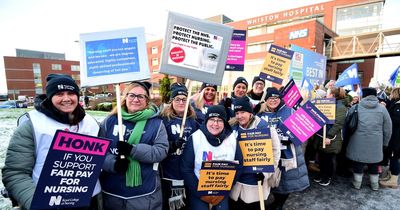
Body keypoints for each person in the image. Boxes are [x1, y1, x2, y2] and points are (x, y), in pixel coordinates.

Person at [2, 74, 102, 210]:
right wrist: (37, 204)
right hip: (47, 202)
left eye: (71, 93)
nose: (66, 99)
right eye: (59, 94)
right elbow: (15, 173)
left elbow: (101, 161)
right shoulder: (32, 124)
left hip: (89, 201)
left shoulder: (91, 123)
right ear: (49, 97)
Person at [99, 81, 169, 210]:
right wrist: (112, 163)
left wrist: (133, 150)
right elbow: (98, 150)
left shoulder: (156, 124)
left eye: (140, 96)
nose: (135, 99)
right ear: (125, 98)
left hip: (144, 192)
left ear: (146, 100)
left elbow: (161, 151)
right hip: (112, 190)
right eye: (132, 95)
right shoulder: (109, 121)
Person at [181, 105, 243, 210]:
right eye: (212, 120)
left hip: (222, 192)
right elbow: (186, 169)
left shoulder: (231, 139)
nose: (215, 124)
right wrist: (200, 193)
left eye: (219, 120)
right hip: (198, 192)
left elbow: (239, 165)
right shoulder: (196, 138)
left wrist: (225, 190)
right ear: (206, 121)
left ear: (224, 122)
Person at [256, 87, 309, 210]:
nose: (273, 100)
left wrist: (291, 137)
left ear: (280, 99)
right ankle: (274, 202)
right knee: (272, 181)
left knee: (286, 182)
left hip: (288, 153)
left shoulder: (289, 110)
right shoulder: (261, 112)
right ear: (266, 99)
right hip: (268, 153)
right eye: (270, 98)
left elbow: (301, 131)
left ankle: (279, 204)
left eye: (276, 98)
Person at [228, 97, 281, 210]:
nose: (240, 116)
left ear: (250, 112)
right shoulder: (232, 128)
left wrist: (266, 173)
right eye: (237, 113)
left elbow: (275, 151)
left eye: (243, 112)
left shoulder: (264, 127)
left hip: (255, 183)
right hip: (236, 182)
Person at [160, 83, 199, 210]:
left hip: (188, 173)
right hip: (170, 173)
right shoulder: (164, 120)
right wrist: (172, 145)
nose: (181, 102)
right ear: (172, 101)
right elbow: (158, 145)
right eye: (177, 99)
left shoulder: (193, 121)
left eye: (184, 99)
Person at [346, 87, 392, 191]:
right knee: (374, 163)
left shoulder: (356, 107)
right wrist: (385, 143)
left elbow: (348, 123)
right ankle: (374, 185)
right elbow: (388, 129)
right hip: (376, 142)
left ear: (364, 95)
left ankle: (357, 183)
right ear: (375, 95)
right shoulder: (382, 109)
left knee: (358, 162)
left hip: (358, 141)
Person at [313, 87, 348, 186]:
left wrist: (329, 136)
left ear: (332, 95)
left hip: (332, 137)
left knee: (328, 158)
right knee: (322, 156)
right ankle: (322, 173)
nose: (326, 95)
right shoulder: (328, 104)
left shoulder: (340, 107)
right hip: (321, 135)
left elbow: (338, 123)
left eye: (327, 93)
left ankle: (327, 176)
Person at [379, 87, 400, 189]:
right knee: (392, 157)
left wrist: (386, 112)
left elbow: (395, 120)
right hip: (395, 136)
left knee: (394, 157)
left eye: (392, 93)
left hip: (397, 138)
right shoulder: (395, 104)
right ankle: (390, 176)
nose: (390, 94)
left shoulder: (398, 106)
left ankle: (394, 180)